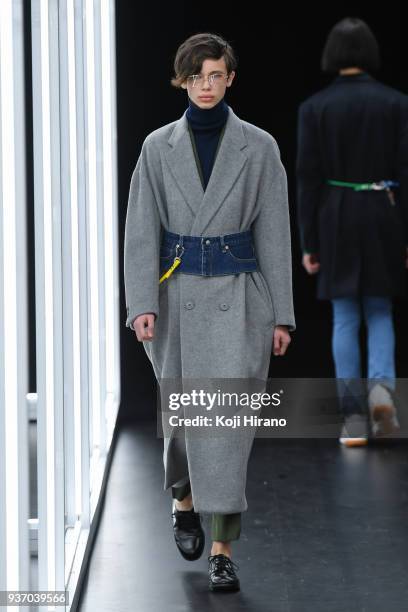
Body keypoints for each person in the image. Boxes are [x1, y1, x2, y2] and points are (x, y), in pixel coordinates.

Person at [124, 32, 295, 591]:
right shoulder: (156, 148)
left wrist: (282, 315)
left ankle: (222, 548)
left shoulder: (260, 147)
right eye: (196, 76)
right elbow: (141, 231)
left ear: (230, 79)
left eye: (216, 75)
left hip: (238, 299)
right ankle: (184, 497)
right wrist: (141, 303)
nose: (206, 86)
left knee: (226, 424)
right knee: (184, 420)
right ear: (181, 80)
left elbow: (274, 233)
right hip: (176, 301)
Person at [296, 17, 408, 447]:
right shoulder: (396, 103)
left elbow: (307, 179)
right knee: (379, 309)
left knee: (345, 316)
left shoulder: (314, 107)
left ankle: (353, 417)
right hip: (385, 212)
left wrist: (309, 242)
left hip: (335, 215)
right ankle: (382, 394)